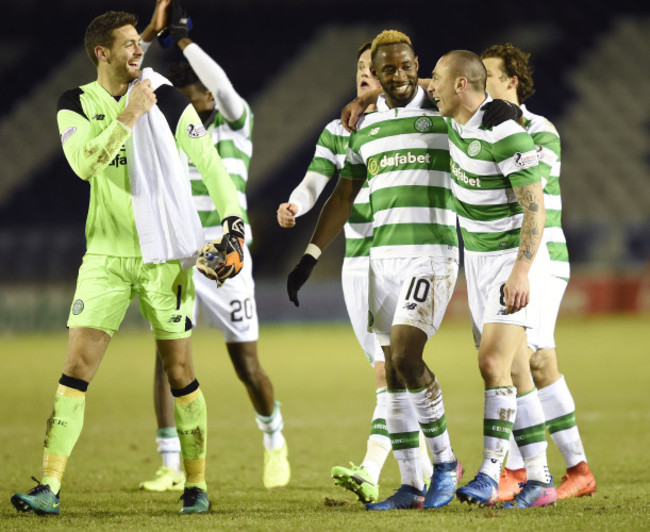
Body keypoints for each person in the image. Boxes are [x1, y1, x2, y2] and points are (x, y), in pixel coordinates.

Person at [10, 10, 245, 515]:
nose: (140, 51)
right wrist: (131, 115)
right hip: (106, 259)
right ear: (103, 52)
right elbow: (83, 165)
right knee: (76, 369)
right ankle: (49, 487)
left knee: (180, 370)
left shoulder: (168, 97)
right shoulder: (75, 102)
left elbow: (211, 165)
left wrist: (233, 225)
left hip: (165, 259)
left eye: (141, 43)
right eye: (130, 45)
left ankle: (196, 486)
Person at [287, 30, 466, 512]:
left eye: (407, 66)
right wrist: (310, 256)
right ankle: (410, 485)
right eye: (389, 70)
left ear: (418, 65)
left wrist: (371, 91)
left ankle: (446, 464)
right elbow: (342, 194)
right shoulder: (363, 128)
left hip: (432, 253)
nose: (400, 76)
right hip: (381, 258)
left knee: (408, 357)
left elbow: (470, 85)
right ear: (378, 74)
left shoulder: (441, 111)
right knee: (391, 370)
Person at [138, 0, 290, 492]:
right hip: (181, 254)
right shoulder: (169, 136)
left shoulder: (236, 129)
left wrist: (181, 39)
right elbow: (123, 76)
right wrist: (144, 37)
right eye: (188, 90)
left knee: (246, 364)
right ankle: (168, 463)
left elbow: (223, 86)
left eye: (201, 89)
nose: (200, 95)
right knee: (169, 360)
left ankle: (274, 441)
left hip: (227, 257)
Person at [427, 50, 557, 509]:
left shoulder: (504, 132)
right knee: (517, 370)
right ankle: (540, 481)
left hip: (511, 261)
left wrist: (521, 269)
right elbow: (418, 86)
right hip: (478, 262)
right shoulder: (455, 117)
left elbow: (534, 208)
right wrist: (364, 100)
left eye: (439, 80)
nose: (431, 87)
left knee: (491, 364)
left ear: (461, 85)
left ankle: (489, 472)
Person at [480, 42, 596, 500]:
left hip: (541, 260)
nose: (481, 85)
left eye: (488, 76)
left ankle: (519, 470)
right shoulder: (479, 128)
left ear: (511, 81)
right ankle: (573, 469)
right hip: (501, 260)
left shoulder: (539, 129)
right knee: (534, 360)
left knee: (514, 359)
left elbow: (531, 188)